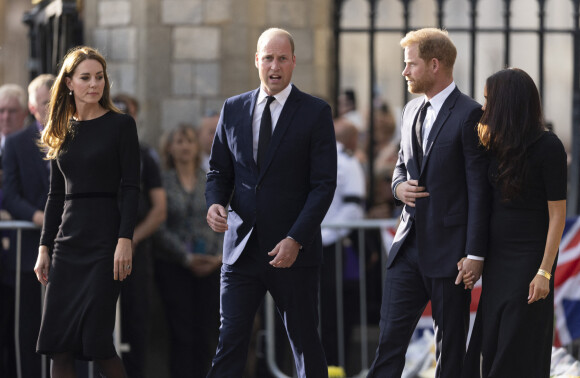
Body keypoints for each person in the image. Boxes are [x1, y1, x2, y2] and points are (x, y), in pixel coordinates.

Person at [205, 27, 337, 377]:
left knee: (304, 342)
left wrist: (296, 239)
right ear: (256, 61)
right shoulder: (233, 109)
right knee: (230, 340)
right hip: (241, 250)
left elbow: (323, 186)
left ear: (293, 62)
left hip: (293, 251)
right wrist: (215, 203)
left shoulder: (315, 112)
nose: (274, 65)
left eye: (282, 58)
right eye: (268, 57)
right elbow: (218, 171)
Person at [367, 28, 490, 378]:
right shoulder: (409, 111)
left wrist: (475, 254)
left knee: (450, 350)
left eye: (411, 64)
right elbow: (401, 165)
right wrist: (398, 188)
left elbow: (479, 190)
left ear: (435, 64)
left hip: (452, 255)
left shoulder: (470, 114)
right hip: (407, 249)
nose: (405, 72)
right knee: (388, 342)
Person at [33, 46, 140, 378]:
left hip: (105, 243)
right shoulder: (61, 128)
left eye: (99, 77)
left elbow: (131, 188)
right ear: (69, 83)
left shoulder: (121, 125)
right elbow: (55, 195)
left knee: (97, 341)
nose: (94, 84)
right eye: (85, 78)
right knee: (59, 345)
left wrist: (125, 239)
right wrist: (44, 247)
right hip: (68, 243)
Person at [461, 68, 567, 378]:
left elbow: (557, 215)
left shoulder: (550, 147)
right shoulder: (493, 146)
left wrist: (545, 271)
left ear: (507, 102)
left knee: (516, 345)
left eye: (488, 99)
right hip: (497, 261)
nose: (483, 107)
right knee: (493, 342)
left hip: (530, 259)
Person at [153, 124, 222, 378]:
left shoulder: (210, 178)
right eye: (179, 141)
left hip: (210, 266)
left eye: (190, 141)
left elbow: (225, 220)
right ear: (170, 147)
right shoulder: (162, 180)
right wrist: (185, 257)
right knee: (181, 333)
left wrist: (217, 257)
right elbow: (158, 225)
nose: (185, 146)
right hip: (174, 265)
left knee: (207, 332)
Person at [1, 74, 54, 377]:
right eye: (44, 103)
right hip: (28, 251)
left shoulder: (73, 136)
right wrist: (38, 217)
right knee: (29, 328)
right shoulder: (18, 144)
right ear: (32, 108)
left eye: (54, 101)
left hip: (68, 248)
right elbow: (10, 193)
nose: (50, 108)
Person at [112, 93, 166, 378]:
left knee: (136, 324)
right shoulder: (99, 150)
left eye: (127, 114)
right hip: (102, 254)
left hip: (137, 256)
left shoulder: (145, 156)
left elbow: (158, 208)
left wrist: (131, 239)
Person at [320, 118, 366, 371]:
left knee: (332, 314)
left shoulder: (346, 164)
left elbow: (353, 210)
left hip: (331, 249)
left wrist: (319, 236)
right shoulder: (347, 164)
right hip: (321, 244)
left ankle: (333, 368)